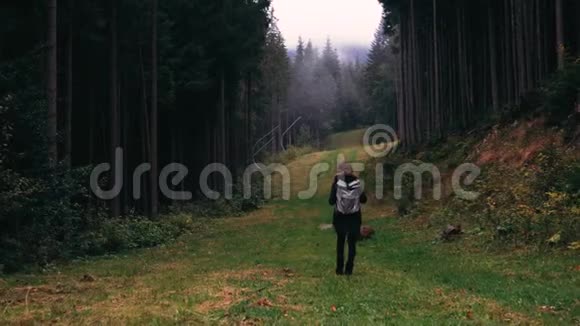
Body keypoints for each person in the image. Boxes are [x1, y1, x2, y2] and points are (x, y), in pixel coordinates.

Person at [329, 163, 367, 275]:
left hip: (340, 218)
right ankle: (349, 269)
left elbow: (331, 202)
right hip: (354, 218)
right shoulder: (356, 183)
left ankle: (339, 269)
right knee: (351, 244)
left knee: (340, 243)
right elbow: (364, 200)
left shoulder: (337, 183)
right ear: (352, 171)